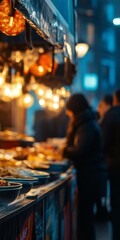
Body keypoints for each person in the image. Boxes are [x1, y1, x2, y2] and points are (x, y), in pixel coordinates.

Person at [62, 93, 107, 240]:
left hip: (90, 177)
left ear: (75, 110)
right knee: (85, 217)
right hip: (91, 175)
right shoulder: (87, 122)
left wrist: (63, 150)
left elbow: (80, 150)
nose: (69, 115)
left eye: (70, 112)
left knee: (86, 217)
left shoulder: (86, 125)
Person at [101, 89, 120, 240]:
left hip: (115, 168)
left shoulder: (112, 115)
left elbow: (103, 142)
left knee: (117, 206)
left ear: (115, 99)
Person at [95, 94, 113, 220]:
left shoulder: (108, 120)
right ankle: (102, 210)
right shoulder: (104, 119)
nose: (98, 108)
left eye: (101, 105)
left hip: (105, 162)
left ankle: (103, 212)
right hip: (105, 162)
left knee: (103, 190)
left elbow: (103, 142)